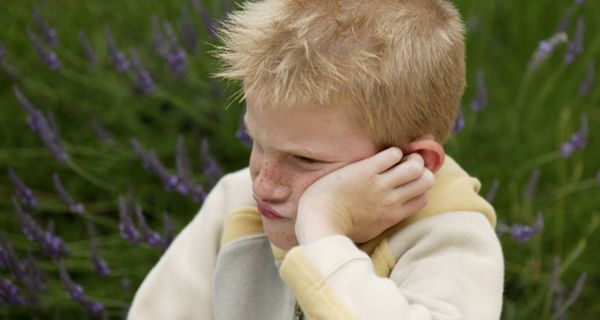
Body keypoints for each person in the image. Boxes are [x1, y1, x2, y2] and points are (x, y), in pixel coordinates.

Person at [128, 0, 504, 319]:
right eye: (255, 141)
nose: (263, 184)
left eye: (305, 160)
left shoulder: (451, 244)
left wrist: (322, 233)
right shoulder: (236, 202)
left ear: (414, 161)